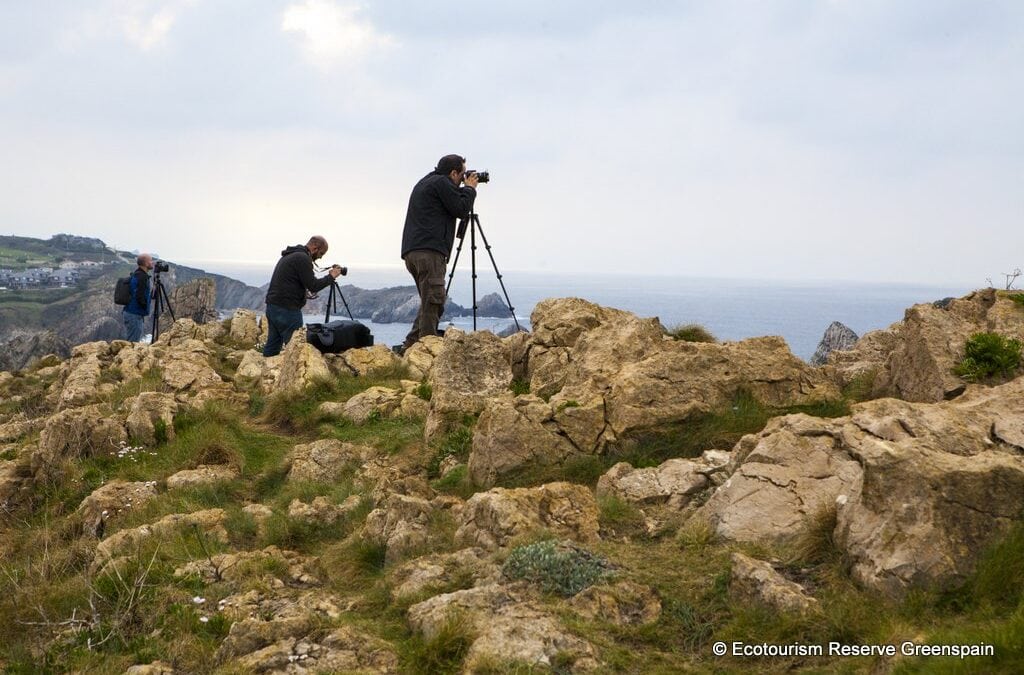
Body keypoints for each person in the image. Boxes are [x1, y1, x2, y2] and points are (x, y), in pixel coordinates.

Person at [397, 154, 478, 354]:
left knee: (429, 301)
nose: (463, 180)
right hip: (429, 253)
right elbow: (460, 208)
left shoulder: (426, 181)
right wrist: (470, 189)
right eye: (462, 175)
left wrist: (463, 189)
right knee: (434, 302)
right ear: (453, 173)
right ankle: (425, 351)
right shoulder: (442, 183)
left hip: (413, 252)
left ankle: (411, 345)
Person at [262, 235, 342, 357]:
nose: (320, 257)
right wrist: (331, 277)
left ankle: (265, 373)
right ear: (315, 247)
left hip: (273, 306)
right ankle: (294, 375)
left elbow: (290, 281)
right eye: (321, 253)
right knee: (296, 349)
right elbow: (313, 285)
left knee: (273, 346)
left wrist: (301, 292)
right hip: (287, 310)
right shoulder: (303, 258)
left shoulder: (290, 254)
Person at [123, 253, 153, 343]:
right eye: (151, 261)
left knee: (132, 340)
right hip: (134, 315)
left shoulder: (137, 274)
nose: (153, 263)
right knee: (132, 343)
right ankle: (127, 357)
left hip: (131, 313)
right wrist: (145, 307)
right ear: (145, 263)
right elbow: (139, 296)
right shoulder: (142, 277)